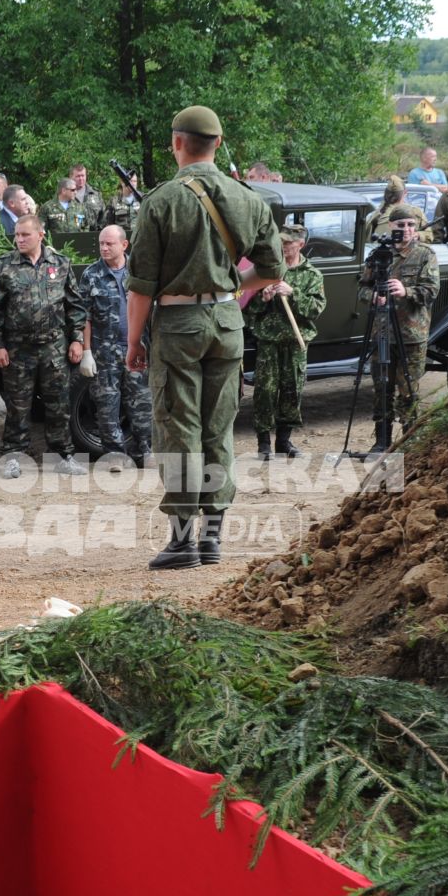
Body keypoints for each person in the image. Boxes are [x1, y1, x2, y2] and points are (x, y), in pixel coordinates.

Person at [125, 105, 284, 569]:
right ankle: (212, 538)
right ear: (217, 143)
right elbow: (274, 268)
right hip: (227, 324)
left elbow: (141, 288)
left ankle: (181, 542)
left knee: (179, 430)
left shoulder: (163, 200)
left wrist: (134, 341)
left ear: (177, 143)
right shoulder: (248, 197)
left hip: (178, 326)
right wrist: (235, 289)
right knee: (219, 429)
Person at [0, 214, 85, 476]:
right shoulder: (3, 267)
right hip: (18, 349)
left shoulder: (60, 264)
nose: (19, 239)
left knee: (59, 403)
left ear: (40, 235)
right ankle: (14, 456)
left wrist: (77, 339)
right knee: (18, 405)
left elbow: (74, 305)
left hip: (54, 347)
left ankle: (63, 456)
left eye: (25, 235)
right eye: (17, 235)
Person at [358, 202, 435, 451]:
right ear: (391, 226)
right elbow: (362, 287)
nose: (406, 229)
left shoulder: (425, 254)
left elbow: (431, 290)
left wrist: (406, 290)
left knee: (408, 391)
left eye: (411, 225)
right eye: (401, 224)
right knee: (382, 389)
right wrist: (372, 296)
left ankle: (409, 442)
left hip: (410, 335)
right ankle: (382, 441)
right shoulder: (379, 254)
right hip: (382, 333)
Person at [246, 223, 325, 461]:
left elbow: (315, 309)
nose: (283, 247)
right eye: (281, 242)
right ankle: (263, 444)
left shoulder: (312, 274)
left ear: (301, 244)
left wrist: (294, 293)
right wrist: (264, 297)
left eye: (288, 243)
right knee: (265, 391)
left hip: (295, 341)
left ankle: (283, 441)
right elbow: (250, 311)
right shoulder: (268, 271)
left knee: (292, 391)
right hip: (269, 341)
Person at [77, 224, 148, 466]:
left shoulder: (138, 272)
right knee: (107, 407)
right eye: (101, 244)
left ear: (124, 245)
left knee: (141, 404)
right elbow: (84, 316)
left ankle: (144, 451)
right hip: (104, 351)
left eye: (109, 244)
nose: (104, 248)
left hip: (137, 349)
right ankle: (115, 455)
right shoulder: (91, 274)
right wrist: (86, 352)